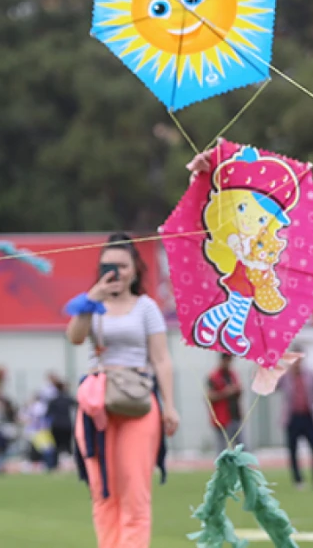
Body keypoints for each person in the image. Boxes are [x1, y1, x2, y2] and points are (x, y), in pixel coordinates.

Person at [65, 232, 181, 548]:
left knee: (135, 491)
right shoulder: (92, 302)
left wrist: (169, 405)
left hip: (136, 400)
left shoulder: (146, 307)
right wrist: (93, 298)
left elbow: (161, 359)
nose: (117, 271)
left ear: (135, 269)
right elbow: (75, 337)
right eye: (109, 265)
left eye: (123, 265)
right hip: (97, 401)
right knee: (102, 489)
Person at [277, 345, 313, 489]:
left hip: (307, 415)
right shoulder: (286, 376)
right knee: (293, 450)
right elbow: (275, 387)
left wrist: (308, 404)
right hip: (292, 417)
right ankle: (298, 480)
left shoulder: (310, 374)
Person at [206, 353, 245, 452]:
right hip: (222, 419)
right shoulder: (214, 377)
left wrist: (238, 391)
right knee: (223, 449)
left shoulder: (232, 375)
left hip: (235, 416)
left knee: (241, 447)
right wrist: (226, 392)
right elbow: (209, 396)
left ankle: (243, 467)